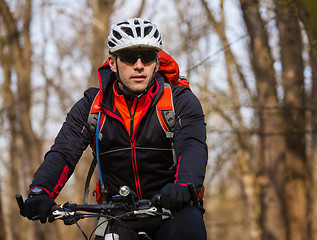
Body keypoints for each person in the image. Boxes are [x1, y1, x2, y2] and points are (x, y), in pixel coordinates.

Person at [24, 18, 207, 239]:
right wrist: (40, 190)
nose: (139, 65)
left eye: (147, 57)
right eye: (129, 57)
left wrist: (184, 186)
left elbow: (192, 146)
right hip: (117, 212)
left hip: (173, 208)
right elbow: (64, 152)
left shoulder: (179, 101)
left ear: (157, 63)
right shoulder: (92, 106)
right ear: (113, 63)